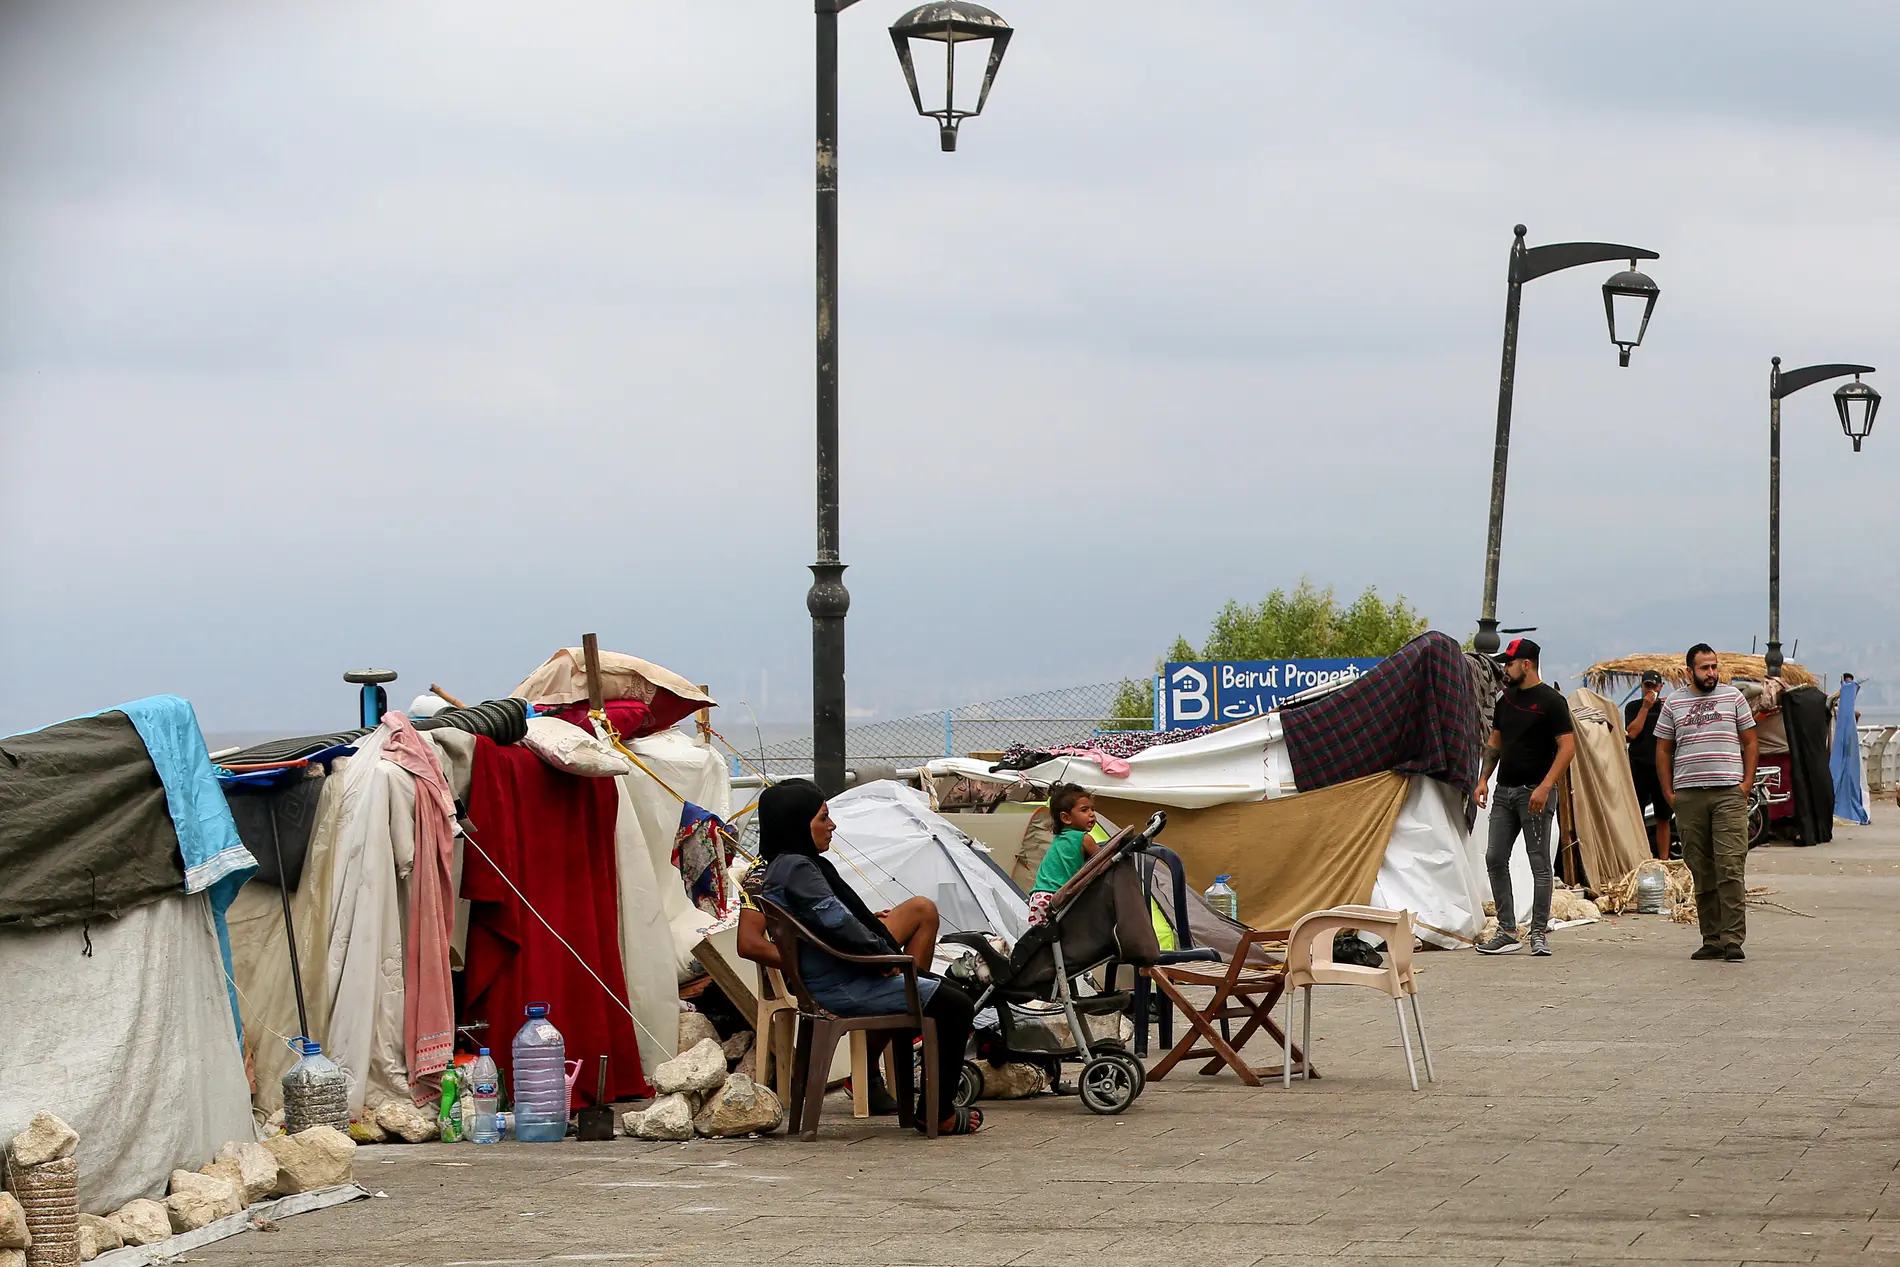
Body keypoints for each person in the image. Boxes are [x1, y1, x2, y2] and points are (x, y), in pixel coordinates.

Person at [734, 779, 981, 1134]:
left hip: (835, 975)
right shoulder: (799, 868)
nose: (832, 825)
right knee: (956, 1006)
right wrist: (881, 955)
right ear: (797, 822)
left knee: (946, 993)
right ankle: (937, 1112)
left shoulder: (783, 865)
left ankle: (920, 1091)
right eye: (823, 817)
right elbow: (835, 920)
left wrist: (871, 939)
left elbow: (828, 920)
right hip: (843, 983)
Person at [1655, 644, 1758, 963]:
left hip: (1728, 792)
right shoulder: (1674, 703)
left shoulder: (1734, 698)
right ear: (1689, 672)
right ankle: (1711, 938)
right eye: (1704, 668)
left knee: (1729, 866)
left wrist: (1745, 785)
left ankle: (1732, 938)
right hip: (1689, 795)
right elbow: (1662, 750)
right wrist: (1670, 794)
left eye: (1714, 667)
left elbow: (1751, 741)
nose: (1711, 673)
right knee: (1701, 867)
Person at [1474, 638, 1575, 958]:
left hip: (1536, 793)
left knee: (1539, 864)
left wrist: (1545, 787)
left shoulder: (1551, 702)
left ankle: (1538, 933)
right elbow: (1494, 744)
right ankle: (1506, 930)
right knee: (1494, 858)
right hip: (1504, 792)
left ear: (1526, 664)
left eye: (1509, 663)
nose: (1505, 668)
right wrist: (1483, 779)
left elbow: (1568, 748)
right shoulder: (1505, 701)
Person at [1027, 784, 1100, 927]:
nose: (1091, 814)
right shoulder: (1084, 839)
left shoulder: (1059, 839)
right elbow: (1104, 860)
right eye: (1084, 810)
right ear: (1066, 818)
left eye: (1093, 809)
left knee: (1041, 940)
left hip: (1038, 897)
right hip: (1056, 897)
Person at [1624, 669, 1672, 861]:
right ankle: (1638, 857)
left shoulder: (1667, 708)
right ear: (1642, 687)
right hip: (1639, 766)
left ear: (1660, 687)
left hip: (1662, 768)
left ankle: (1664, 859)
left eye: (1654, 686)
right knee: (1637, 817)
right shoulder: (1633, 707)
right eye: (1647, 686)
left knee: (1663, 817)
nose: (1650, 689)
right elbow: (1632, 733)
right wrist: (1645, 708)